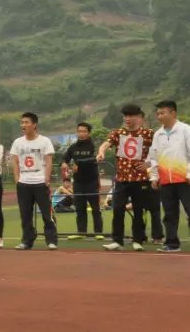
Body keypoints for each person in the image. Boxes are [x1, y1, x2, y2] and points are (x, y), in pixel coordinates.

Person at [97, 103, 156, 252]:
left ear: (138, 117)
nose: (127, 119)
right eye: (125, 116)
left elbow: (159, 151)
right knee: (117, 209)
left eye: (130, 116)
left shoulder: (148, 133)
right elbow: (105, 144)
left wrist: (149, 163)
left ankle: (138, 240)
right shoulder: (118, 133)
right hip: (122, 178)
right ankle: (117, 240)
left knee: (138, 210)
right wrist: (101, 152)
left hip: (140, 178)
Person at [147, 100, 190, 253]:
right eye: (157, 113)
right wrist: (154, 177)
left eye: (162, 113)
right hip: (166, 181)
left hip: (185, 179)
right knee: (170, 213)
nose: (159, 116)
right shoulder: (157, 134)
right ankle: (172, 244)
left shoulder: (185, 130)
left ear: (173, 113)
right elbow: (154, 157)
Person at [11, 112, 58, 250]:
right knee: (25, 215)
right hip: (24, 183)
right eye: (22, 122)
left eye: (26, 122)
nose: (23, 125)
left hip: (40, 182)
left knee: (46, 213)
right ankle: (27, 240)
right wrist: (17, 179)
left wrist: (47, 178)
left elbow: (48, 161)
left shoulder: (45, 141)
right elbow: (15, 162)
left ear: (34, 124)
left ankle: (51, 240)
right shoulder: (18, 142)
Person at [62, 122, 104, 238]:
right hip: (78, 183)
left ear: (88, 133)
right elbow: (65, 158)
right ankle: (81, 232)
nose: (81, 134)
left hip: (92, 182)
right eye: (79, 131)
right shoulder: (73, 147)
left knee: (95, 208)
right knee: (80, 208)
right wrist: (64, 163)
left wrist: (78, 164)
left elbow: (93, 159)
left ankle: (98, 232)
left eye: (84, 131)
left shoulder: (94, 146)